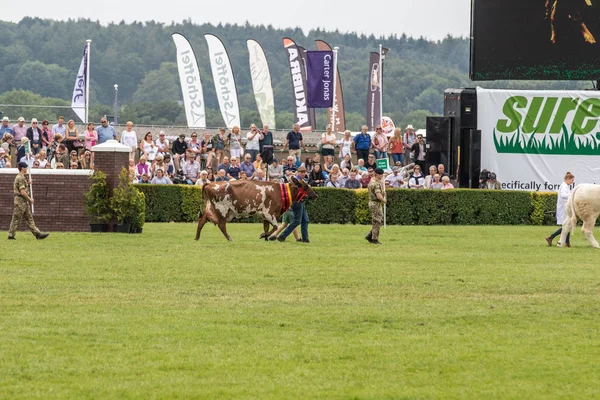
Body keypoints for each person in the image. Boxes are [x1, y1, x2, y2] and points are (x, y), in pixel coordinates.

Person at [7, 162, 49, 240]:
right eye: (26, 167)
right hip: (20, 201)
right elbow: (22, 192)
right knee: (16, 218)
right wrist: (30, 199)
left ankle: (38, 234)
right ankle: (11, 235)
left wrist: (28, 185)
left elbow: (24, 189)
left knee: (29, 218)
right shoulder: (20, 178)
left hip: (23, 202)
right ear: (22, 168)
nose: (27, 169)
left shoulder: (22, 177)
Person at [546, 172, 575, 247]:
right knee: (567, 225)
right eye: (572, 180)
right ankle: (551, 237)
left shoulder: (566, 186)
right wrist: (571, 195)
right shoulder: (564, 186)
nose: (572, 182)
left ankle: (566, 242)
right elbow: (563, 195)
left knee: (568, 224)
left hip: (565, 207)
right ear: (567, 179)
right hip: (564, 208)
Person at [277, 179, 311, 243]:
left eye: (304, 172)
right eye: (302, 172)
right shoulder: (295, 182)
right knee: (297, 221)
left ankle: (305, 239)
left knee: (305, 220)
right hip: (297, 202)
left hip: (302, 201)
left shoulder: (302, 180)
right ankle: (282, 236)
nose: (303, 173)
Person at [366, 168, 386, 245]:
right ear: (377, 174)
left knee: (379, 220)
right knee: (377, 221)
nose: (382, 176)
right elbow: (378, 196)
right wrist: (384, 200)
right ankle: (374, 239)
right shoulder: (376, 183)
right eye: (381, 175)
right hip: (375, 203)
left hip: (375, 203)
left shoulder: (372, 181)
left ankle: (370, 235)